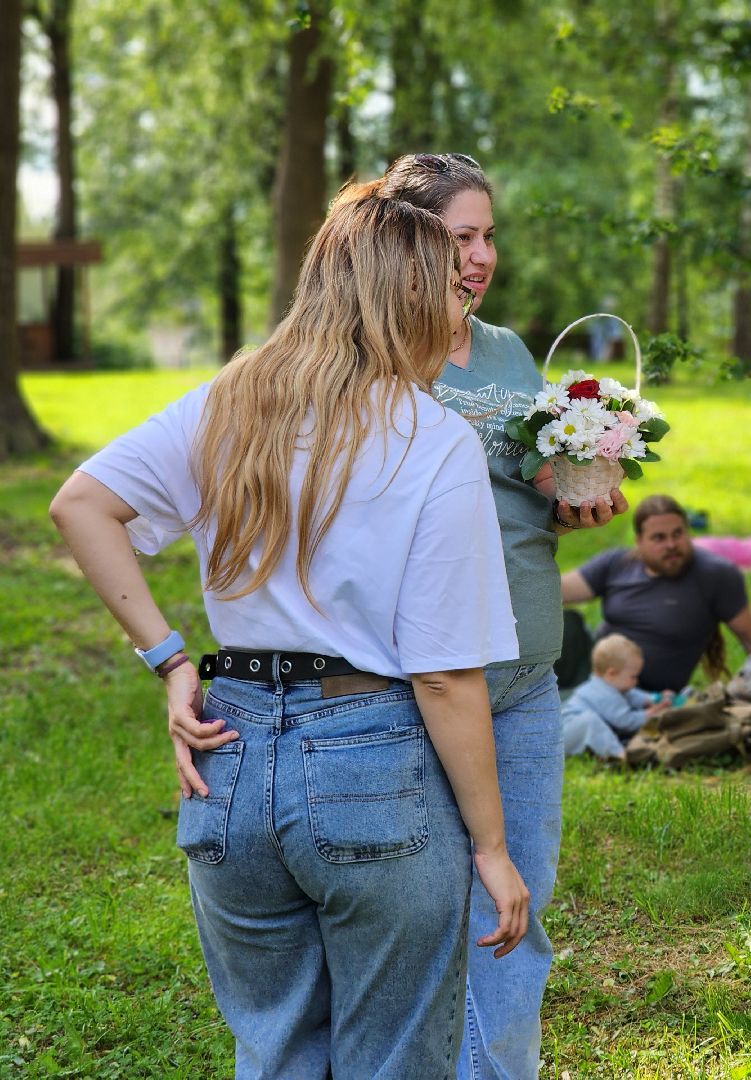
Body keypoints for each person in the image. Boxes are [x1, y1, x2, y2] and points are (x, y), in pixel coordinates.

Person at [48, 193, 528, 1078]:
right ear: (409, 298)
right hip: (372, 763)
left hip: (227, 761)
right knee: (393, 1055)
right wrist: (493, 850)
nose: (463, 300)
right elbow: (444, 678)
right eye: (447, 288)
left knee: (273, 1051)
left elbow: (81, 504)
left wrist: (171, 661)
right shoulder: (431, 440)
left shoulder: (226, 405)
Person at [374, 151, 624, 1080]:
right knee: (421, 911)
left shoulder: (516, 352)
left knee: (518, 909)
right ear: (402, 240)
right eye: (460, 238)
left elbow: (534, 489)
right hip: (421, 677)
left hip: (525, 666)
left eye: (489, 237)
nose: (481, 258)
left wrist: (574, 492)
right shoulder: (375, 356)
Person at [560, 494, 751, 693]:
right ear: (639, 541)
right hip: (591, 671)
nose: (671, 545)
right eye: (659, 538)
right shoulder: (618, 563)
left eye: (677, 534)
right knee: (566, 624)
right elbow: (556, 591)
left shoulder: (715, 575)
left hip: (641, 695)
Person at [561, 634, 670, 759]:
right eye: (633, 676)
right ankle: (620, 756)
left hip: (569, 730)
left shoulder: (607, 684)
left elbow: (631, 694)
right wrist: (649, 714)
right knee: (590, 721)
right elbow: (626, 722)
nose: (636, 681)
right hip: (563, 736)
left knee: (592, 722)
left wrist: (653, 698)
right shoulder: (603, 695)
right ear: (611, 673)